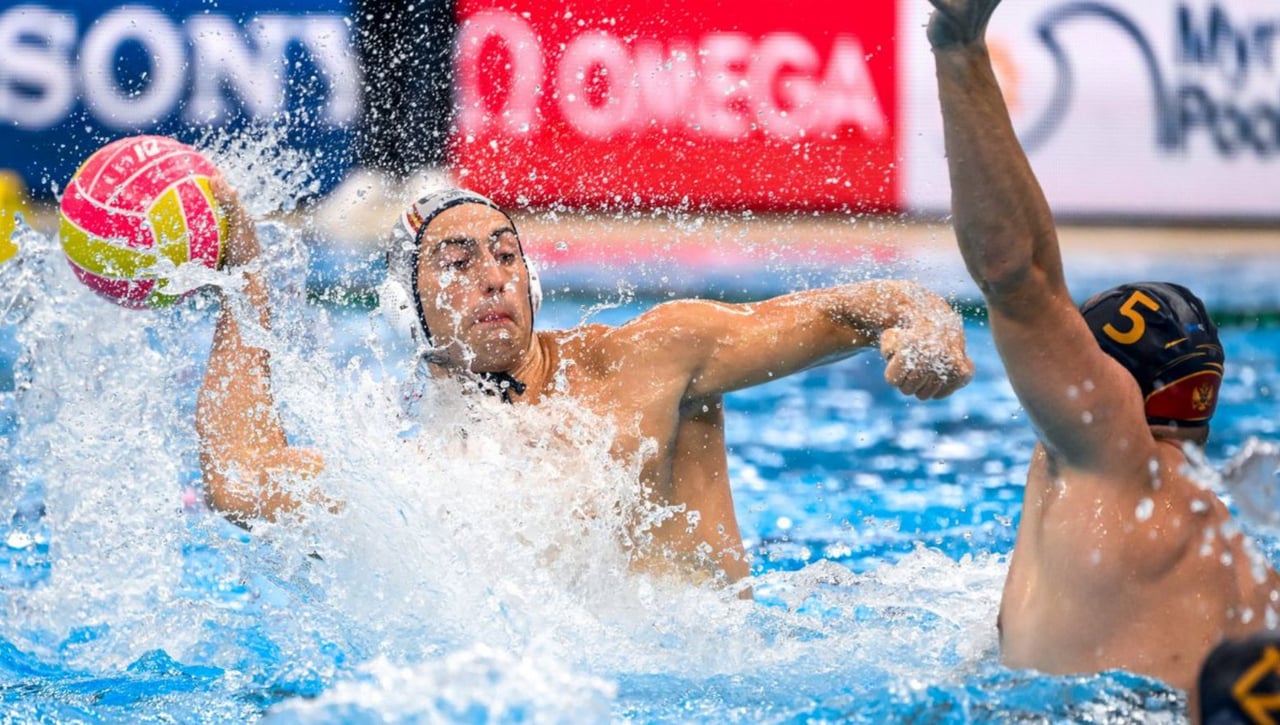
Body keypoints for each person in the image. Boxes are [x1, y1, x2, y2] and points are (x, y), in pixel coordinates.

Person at [197, 179, 974, 586]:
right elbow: (239, 478)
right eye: (459, 263)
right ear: (412, 310)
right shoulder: (413, 472)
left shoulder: (647, 357)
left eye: (506, 255)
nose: (493, 277)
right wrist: (244, 282)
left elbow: (865, 303)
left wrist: (929, 328)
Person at [927, 0, 1280, 695]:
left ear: (1113, 382)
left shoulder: (1111, 458)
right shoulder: (1252, 570)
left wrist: (960, 47)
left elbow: (1016, 276)